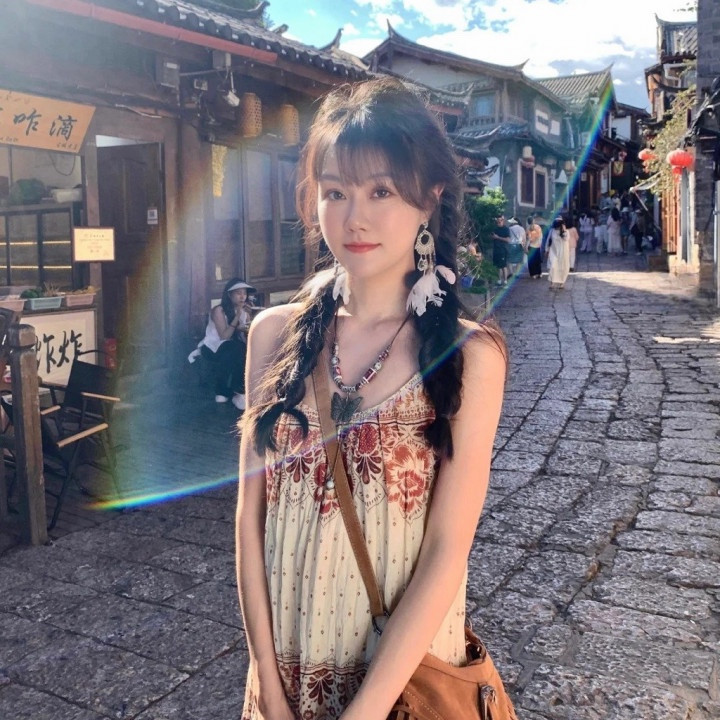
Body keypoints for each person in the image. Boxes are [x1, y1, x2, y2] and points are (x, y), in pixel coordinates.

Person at [236, 77, 507, 720]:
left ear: (429, 197)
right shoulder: (273, 336)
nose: (353, 217)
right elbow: (250, 520)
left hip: (400, 688)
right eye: (335, 192)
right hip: (284, 677)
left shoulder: (469, 356)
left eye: (380, 190)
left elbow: (446, 550)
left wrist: (364, 712)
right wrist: (268, 684)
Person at [198, 277, 253, 410]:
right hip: (213, 347)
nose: (242, 296)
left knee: (243, 349)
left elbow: (244, 333)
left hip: (232, 348)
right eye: (238, 293)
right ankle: (235, 391)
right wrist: (237, 316)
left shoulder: (243, 310)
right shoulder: (219, 310)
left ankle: (229, 391)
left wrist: (248, 318)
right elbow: (224, 336)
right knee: (237, 348)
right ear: (229, 295)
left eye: (244, 293)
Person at [546, 216, 570, 289]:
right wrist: (547, 249)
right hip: (554, 251)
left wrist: (564, 230)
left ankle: (562, 283)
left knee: (563, 267)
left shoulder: (566, 232)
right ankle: (552, 283)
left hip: (563, 252)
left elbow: (566, 238)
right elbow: (548, 240)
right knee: (552, 267)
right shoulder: (552, 231)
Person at [491, 214, 510, 286]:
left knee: (503, 266)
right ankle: (499, 280)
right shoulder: (495, 229)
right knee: (498, 266)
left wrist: (498, 237)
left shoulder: (506, 229)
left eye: (500, 221)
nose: (498, 222)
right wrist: (492, 237)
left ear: (503, 221)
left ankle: (505, 280)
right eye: (497, 221)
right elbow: (492, 237)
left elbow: (508, 240)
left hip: (503, 249)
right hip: (496, 249)